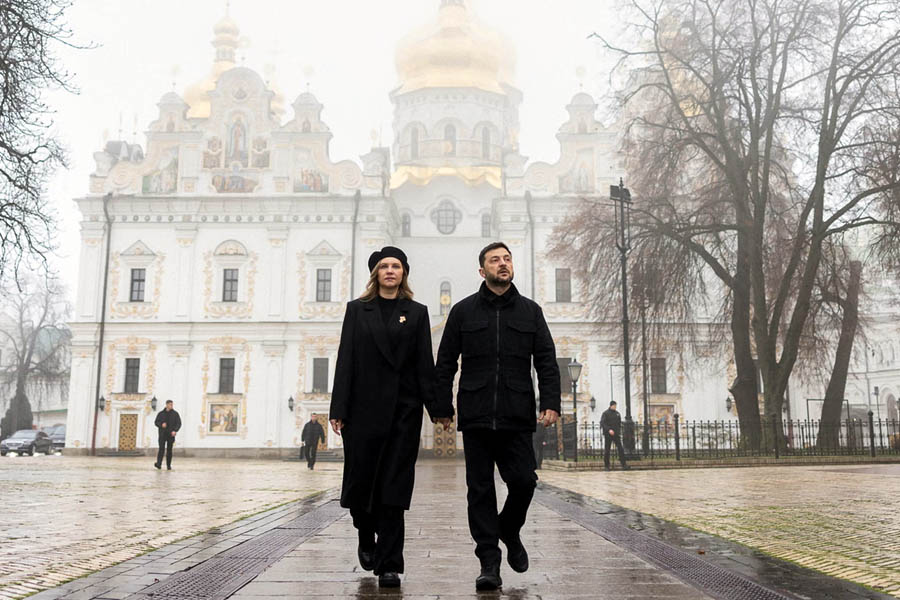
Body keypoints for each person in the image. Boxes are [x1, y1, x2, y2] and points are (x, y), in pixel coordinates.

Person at [435, 241, 561, 591]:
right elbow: (445, 362)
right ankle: (489, 561)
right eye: (495, 260)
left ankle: (509, 527)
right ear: (482, 270)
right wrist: (442, 406)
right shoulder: (463, 312)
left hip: (516, 413)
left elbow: (546, 360)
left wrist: (551, 401)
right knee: (480, 490)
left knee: (524, 481)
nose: (503, 264)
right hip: (476, 414)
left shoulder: (530, 312)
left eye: (507, 259)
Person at [329, 246, 453, 589]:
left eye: (395, 266)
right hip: (362, 412)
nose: (389, 271)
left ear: (403, 273)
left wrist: (439, 409)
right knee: (361, 483)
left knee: (393, 488)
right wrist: (338, 408)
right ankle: (364, 532)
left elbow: (424, 364)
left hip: (402, 412)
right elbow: (345, 359)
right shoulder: (358, 310)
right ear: (376, 274)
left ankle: (390, 564)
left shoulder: (416, 313)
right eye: (384, 266)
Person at [600, 400, 628, 471]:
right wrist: (609, 430)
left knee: (620, 449)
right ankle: (607, 466)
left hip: (616, 434)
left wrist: (618, 431)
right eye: (614, 406)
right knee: (607, 450)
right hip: (608, 434)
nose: (615, 407)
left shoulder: (617, 414)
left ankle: (624, 464)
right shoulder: (605, 413)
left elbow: (619, 423)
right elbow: (603, 423)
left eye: (616, 406)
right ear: (611, 406)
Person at [154, 400, 181, 470]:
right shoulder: (161, 414)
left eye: (172, 404)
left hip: (171, 435)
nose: (171, 406)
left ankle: (168, 465)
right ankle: (158, 464)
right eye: (170, 404)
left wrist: (175, 430)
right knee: (161, 449)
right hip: (162, 434)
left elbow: (178, 423)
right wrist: (161, 424)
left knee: (169, 450)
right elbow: (156, 422)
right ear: (166, 405)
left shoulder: (175, 414)